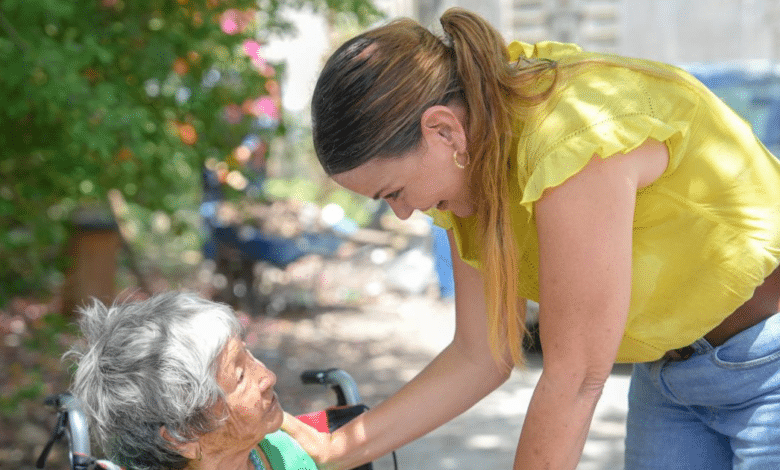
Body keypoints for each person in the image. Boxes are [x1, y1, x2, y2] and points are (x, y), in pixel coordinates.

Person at [281, 7, 780, 470]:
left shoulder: (570, 138)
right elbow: (482, 355)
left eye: (394, 191)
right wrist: (333, 450)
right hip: (671, 374)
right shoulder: (469, 166)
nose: (403, 212)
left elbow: (575, 376)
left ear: (443, 130)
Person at [67, 292, 317, 470]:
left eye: (248, 354)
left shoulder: (283, 450)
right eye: (240, 376)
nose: (268, 377)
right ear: (182, 437)